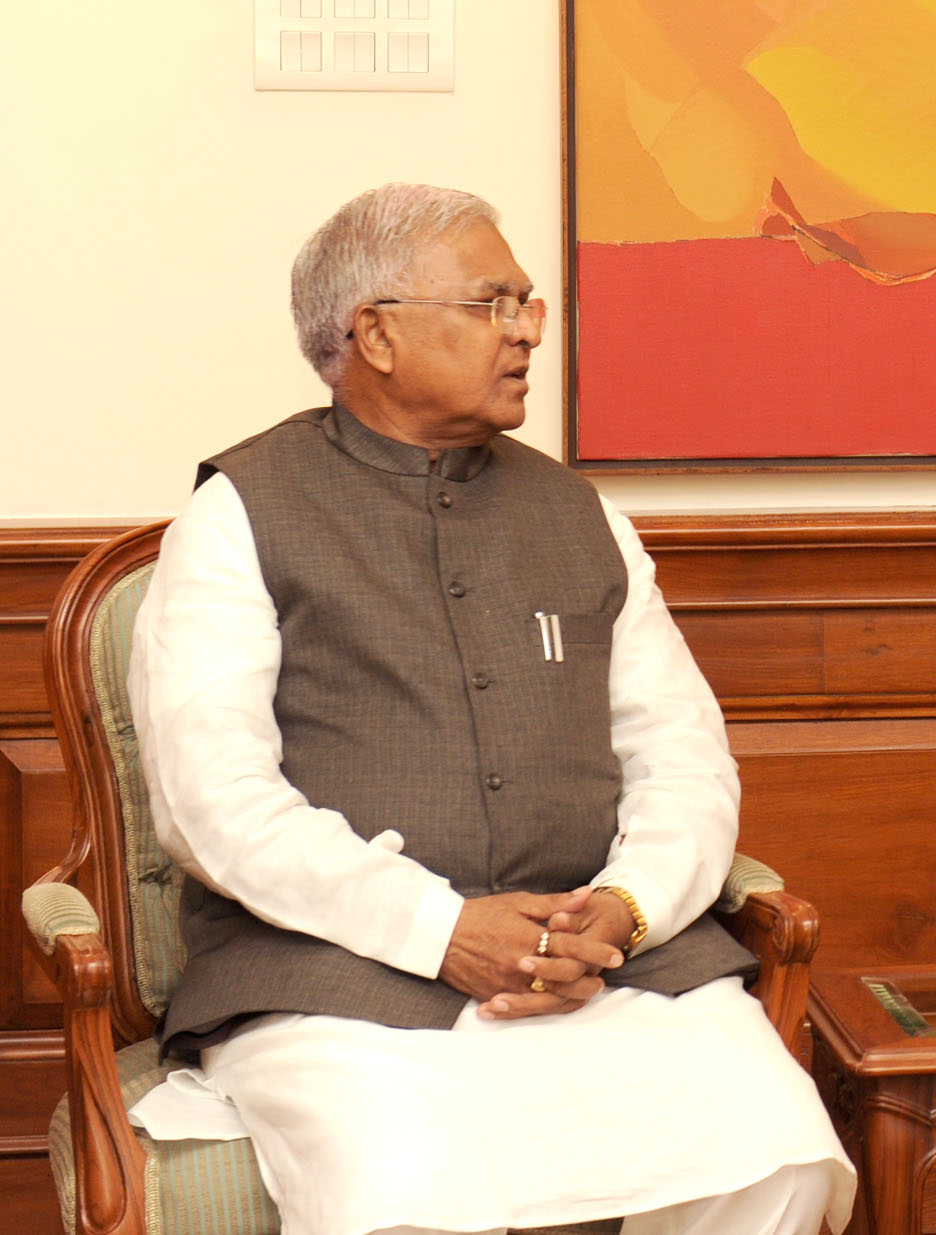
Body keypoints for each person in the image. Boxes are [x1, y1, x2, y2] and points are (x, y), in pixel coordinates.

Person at [125, 183, 855, 1235]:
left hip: (600, 969)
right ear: (374, 333)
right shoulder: (239, 512)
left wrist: (625, 906)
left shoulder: (581, 514)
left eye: (528, 303)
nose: (525, 331)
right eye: (491, 303)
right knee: (400, 1190)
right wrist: (438, 927)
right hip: (340, 980)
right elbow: (211, 799)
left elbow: (683, 757)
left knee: (776, 1155)